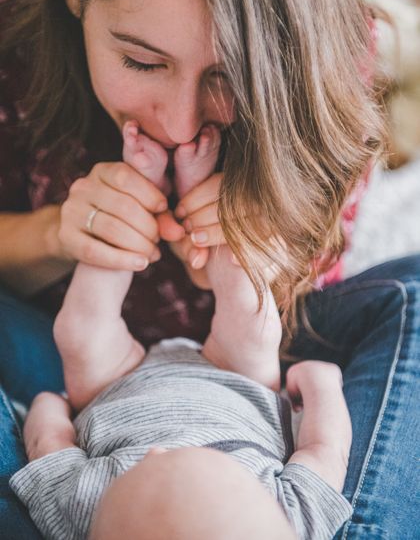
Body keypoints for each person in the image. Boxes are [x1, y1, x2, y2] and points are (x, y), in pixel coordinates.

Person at [0, 0, 418, 538]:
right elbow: (323, 432)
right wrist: (56, 235)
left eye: (227, 77)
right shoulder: (13, 7)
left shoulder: (327, 42)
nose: (177, 122)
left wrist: (267, 255)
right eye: (142, 61)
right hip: (74, 355)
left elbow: (50, 436)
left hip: (253, 363)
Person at [9, 126, 352, 540]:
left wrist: (49, 406)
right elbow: (324, 450)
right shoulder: (296, 522)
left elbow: (49, 444)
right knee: (251, 316)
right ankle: (202, 197)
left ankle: (136, 197)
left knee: (81, 331)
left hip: (113, 385)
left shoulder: (76, 517)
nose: (160, 456)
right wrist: (323, 387)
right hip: (235, 379)